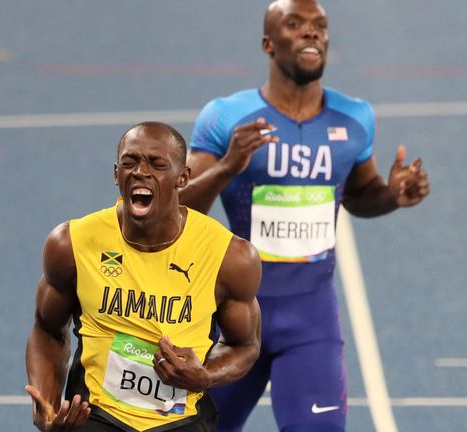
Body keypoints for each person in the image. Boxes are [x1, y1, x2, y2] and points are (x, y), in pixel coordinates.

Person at [180, 1, 430, 431]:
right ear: (268, 44)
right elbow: (179, 211)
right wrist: (227, 165)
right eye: (294, 25)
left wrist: (392, 194)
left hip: (311, 317)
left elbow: (360, 195)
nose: (310, 33)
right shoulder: (226, 117)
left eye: (319, 26)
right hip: (232, 313)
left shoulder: (355, 118)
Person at [25, 121, 263, 432]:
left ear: (183, 177)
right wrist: (48, 404)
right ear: (115, 174)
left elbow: (245, 345)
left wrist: (204, 375)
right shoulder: (72, 244)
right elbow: (47, 330)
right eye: (130, 162)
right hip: (96, 414)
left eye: (156, 163)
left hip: (181, 420)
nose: (140, 171)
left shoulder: (229, 257)